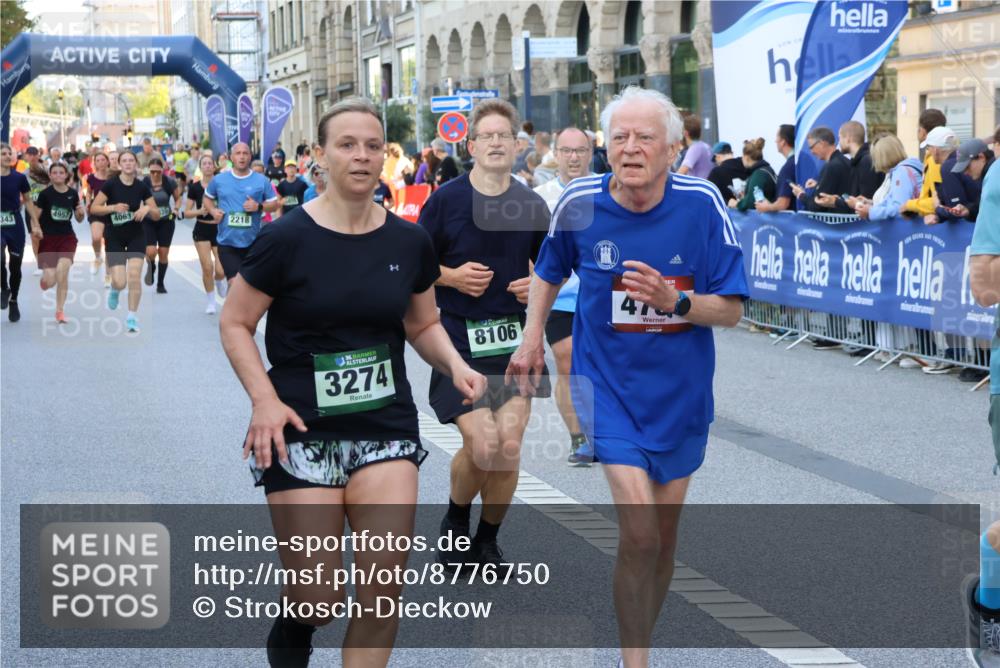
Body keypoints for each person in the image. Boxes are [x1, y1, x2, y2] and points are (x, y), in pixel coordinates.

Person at [219, 96, 485, 668]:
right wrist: (263, 400)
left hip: (385, 428)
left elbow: (422, 324)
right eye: (346, 145)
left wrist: (456, 364)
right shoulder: (286, 238)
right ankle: (296, 623)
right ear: (320, 155)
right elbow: (236, 322)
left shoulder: (409, 241)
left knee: (382, 595)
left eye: (372, 145)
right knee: (317, 598)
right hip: (301, 430)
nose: (361, 156)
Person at [506, 85, 748, 668]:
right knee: (639, 534)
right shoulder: (580, 201)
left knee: (661, 542)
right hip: (607, 388)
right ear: (605, 146)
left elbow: (732, 310)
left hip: (681, 394)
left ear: (673, 149)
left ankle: (638, 642)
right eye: (619, 137)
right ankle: (633, 660)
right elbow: (548, 270)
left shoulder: (702, 203)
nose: (630, 148)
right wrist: (532, 335)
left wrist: (676, 302)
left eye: (645, 138)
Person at [418, 98, 552, 568]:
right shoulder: (445, 201)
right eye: (486, 136)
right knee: (483, 443)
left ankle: (487, 541)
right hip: (457, 343)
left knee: (508, 447)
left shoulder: (532, 205)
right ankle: (456, 521)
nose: (496, 143)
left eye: (504, 136)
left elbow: (552, 270)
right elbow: (412, 265)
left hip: (515, 344)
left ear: (517, 145)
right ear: (471, 146)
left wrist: (536, 284)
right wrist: (451, 277)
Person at [533, 127, 595, 466]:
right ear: (556, 154)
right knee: (567, 359)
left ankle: (607, 431)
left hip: (601, 296)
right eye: (567, 151)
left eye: (580, 150)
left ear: (590, 154)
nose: (573, 157)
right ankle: (579, 438)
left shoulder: (608, 190)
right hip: (561, 296)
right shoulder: (539, 197)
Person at [89, 149, 161, 333]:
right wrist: (113, 207)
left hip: (136, 235)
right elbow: (94, 208)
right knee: (120, 282)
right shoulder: (111, 185)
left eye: (131, 160)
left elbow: (157, 214)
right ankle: (115, 289)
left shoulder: (141, 187)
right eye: (125, 161)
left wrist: (146, 209)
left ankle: (131, 317)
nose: (128, 163)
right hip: (115, 237)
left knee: (134, 275)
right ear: (119, 164)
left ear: (136, 164)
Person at [203, 142, 279, 283]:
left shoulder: (261, 180)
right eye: (238, 153)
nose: (242, 156)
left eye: (245, 153)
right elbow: (207, 198)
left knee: (249, 285)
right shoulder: (219, 179)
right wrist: (213, 211)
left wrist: (258, 206)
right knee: (235, 282)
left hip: (253, 243)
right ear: (231, 157)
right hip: (227, 242)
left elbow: (274, 204)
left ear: (250, 156)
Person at [31, 161, 85, 323]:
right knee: (51, 279)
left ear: (66, 175)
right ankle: (46, 281)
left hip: (67, 238)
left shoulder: (72, 194)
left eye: (61, 172)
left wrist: (81, 213)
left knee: (62, 272)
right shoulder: (45, 194)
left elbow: (79, 219)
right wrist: (35, 228)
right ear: (50, 175)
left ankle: (60, 311)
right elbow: (35, 216)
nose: (58, 175)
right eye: (54, 172)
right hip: (48, 239)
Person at [185, 154, 228, 314]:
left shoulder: (222, 185)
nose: (208, 166)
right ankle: (211, 302)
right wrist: (199, 211)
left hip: (219, 229)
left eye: (210, 163)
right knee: (207, 267)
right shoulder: (195, 187)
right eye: (205, 163)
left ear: (214, 166)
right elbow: (187, 212)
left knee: (221, 270)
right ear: (200, 167)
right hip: (202, 229)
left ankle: (219, 281)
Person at [0, 143, 37, 322]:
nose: (8, 156)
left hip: (15, 223)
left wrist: (35, 223)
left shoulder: (19, 178)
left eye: (10, 153)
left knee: (15, 266)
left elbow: (28, 201)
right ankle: (4, 288)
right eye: (3, 154)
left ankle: (13, 300)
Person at [853, 134, 923, 221]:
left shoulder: (901, 172)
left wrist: (871, 212)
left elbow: (899, 208)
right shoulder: (905, 169)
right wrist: (871, 207)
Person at [141, 157, 181, 293]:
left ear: (162, 170)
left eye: (158, 171)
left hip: (166, 221)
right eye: (152, 171)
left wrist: (176, 209)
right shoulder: (145, 182)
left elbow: (178, 199)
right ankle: (151, 266)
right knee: (150, 252)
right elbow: (138, 199)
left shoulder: (169, 182)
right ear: (148, 170)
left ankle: (160, 284)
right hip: (148, 221)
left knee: (163, 253)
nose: (155, 174)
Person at [791, 127, 852, 213]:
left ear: (822, 143)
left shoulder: (831, 166)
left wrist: (800, 194)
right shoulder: (846, 161)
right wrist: (819, 184)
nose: (811, 152)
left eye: (811, 147)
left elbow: (817, 206)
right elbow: (839, 188)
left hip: (835, 219)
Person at [902, 108, 948, 217]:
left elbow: (940, 200)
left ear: (922, 131)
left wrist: (909, 205)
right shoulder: (932, 156)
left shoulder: (936, 160)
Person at [920, 126, 961, 226]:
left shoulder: (947, 167)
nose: (928, 152)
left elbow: (955, 210)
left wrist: (937, 208)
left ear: (935, 150)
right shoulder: (959, 161)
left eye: (928, 148)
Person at [947, 138, 995, 223]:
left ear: (982, 157)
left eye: (967, 167)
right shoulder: (990, 175)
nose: (965, 172)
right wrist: (968, 210)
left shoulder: (994, 176)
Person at [85, 152, 113, 286]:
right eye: (98, 160)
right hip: (96, 210)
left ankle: (108, 275)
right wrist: (87, 203)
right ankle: (97, 257)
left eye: (103, 160)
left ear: (108, 162)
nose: (101, 162)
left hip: (112, 212)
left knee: (109, 244)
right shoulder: (91, 178)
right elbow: (89, 192)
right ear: (95, 163)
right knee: (96, 237)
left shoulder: (113, 177)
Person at [756, 124, 797, 213]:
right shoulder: (800, 161)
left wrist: (766, 207)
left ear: (783, 142)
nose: (775, 141)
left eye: (777, 137)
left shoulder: (788, 168)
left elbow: (783, 203)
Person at [731, 138, 776, 211]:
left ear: (746, 157)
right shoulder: (767, 170)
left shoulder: (759, 174)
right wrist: (746, 198)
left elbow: (752, 201)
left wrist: (737, 204)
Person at [676, 114, 713, 178]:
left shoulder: (695, 149)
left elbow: (680, 173)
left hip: (697, 184)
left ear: (686, 133)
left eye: (682, 130)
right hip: (706, 183)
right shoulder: (706, 146)